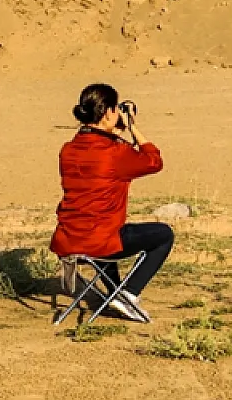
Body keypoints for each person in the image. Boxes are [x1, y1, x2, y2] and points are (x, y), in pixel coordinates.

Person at [49, 83, 175, 323]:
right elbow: (153, 161)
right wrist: (132, 127)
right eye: (116, 109)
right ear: (107, 112)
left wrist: (114, 132)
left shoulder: (68, 150)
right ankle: (128, 293)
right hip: (100, 241)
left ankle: (115, 293)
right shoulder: (115, 152)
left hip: (68, 238)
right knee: (163, 234)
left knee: (102, 228)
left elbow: (97, 156)